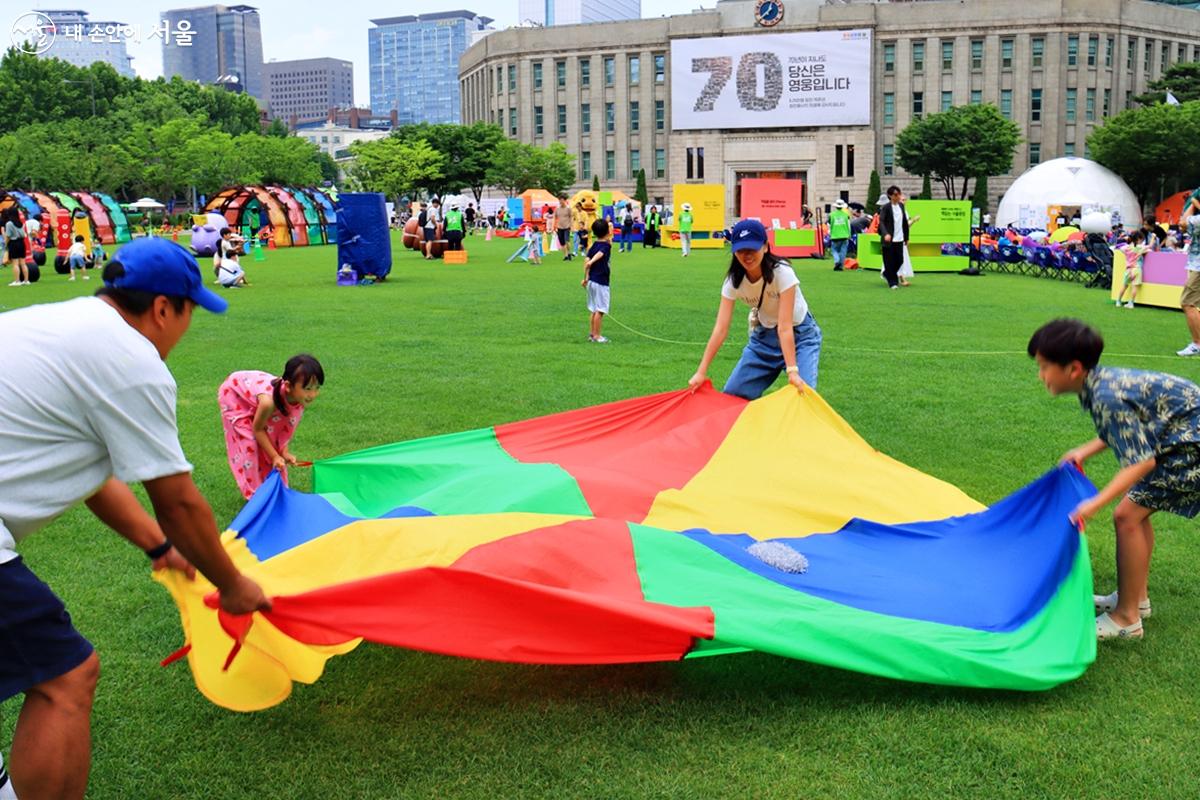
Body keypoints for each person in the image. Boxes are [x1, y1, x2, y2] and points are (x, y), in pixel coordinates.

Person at [0, 238, 270, 800]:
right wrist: (235, 585)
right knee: (65, 679)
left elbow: (95, 475)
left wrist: (158, 548)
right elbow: (178, 501)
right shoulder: (130, 358)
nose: (185, 328)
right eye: (190, 311)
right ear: (164, 308)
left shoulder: (53, 322)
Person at [1028, 318, 1200, 640]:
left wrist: (1094, 503)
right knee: (1137, 512)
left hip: (1190, 448)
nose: (1040, 375)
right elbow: (1124, 426)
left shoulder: (1105, 395)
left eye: (1044, 367)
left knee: (1126, 515)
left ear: (1074, 369)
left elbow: (1142, 461)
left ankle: (1127, 620)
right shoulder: (1098, 383)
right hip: (1181, 439)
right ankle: (1136, 599)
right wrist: (1085, 451)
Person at [688, 219, 822, 399]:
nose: (747, 255)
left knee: (804, 396)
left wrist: (792, 370)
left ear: (766, 247)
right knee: (733, 395)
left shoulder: (783, 273)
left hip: (800, 337)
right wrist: (701, 372)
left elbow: (784, 327)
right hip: (764, 339)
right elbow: (721, 328)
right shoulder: (733, 282)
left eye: (752, 249)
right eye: (741, 250)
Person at [218, 354, 324, 500]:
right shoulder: (268, 402)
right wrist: (275, 456)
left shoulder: (298, 400)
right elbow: (258, 429)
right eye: (307, 388)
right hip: (235, 395)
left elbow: (282, 430)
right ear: (288, 386)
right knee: (250, 444)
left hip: (256, 396)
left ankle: (275, 492)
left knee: (269, 442)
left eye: (316, 387)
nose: (312, 394)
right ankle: (255, 497)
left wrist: (283, 452)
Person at [582, 218, 613, 343]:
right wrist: (592, 262)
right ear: (606, 231)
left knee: (594, 309)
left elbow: (586, 260)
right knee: (600, 310)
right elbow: (600, 254)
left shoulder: (594, 245)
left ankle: (592, 334)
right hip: (600, 281)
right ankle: (597, 336)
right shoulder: (606, 245)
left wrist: (585, 277)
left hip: (591, 281)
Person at [877, 186, 910, 290]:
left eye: (899, 194)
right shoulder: (886, 207)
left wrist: (906, 237)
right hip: (889, 239)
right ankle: (893, 282)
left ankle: (888, 273)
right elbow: (881, 222)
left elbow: (904, 222)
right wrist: (886, 234)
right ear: (890, 196)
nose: (898, 196)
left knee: (900, 260)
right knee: (889, 261)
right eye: (896, 194)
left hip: (899, 239)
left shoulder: (901, 206)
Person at [1116, 231, 1150, 308]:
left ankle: (1118, 301)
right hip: (1137, 269)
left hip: (1128, 270)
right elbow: (1149, 247)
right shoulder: (1139, 248)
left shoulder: (1126, 248)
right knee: (1135, 287)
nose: (1142, 241)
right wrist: (1153, 238)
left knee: (1124, 286)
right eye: (1141, 240)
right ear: (1138, 239)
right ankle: (1131, 303)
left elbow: (1118, 246)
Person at [4, 208, 30, 286]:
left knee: (15, 263)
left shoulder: (9, 223)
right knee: (23, 263)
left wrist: (6, 244)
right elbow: (24, 234)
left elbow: (8, 235)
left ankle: (17, 281)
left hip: (14, 243)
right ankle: (26, 280)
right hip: (21, 243)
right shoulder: (20, 223)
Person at [828, 199, 851, 271]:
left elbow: (829, 225)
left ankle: (837, 261)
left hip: (835, 235)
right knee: (843, 251)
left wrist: (830, 233)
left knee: (834, 250)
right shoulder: (846, 215)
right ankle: (840, 266)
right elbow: (849, 225)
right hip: (845, 235)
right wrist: (849, 234)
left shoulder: (831, 215)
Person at [555, 196, 574, 261]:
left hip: (567, 227)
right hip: (559, 227)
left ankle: (569, 253)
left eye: (562, 200)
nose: (561, 201)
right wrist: (553, 226)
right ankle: (565, 255)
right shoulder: (557, 209)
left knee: (567, 241)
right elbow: (554, 217)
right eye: (559, 200)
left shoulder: (568, 208)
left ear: (565, 200)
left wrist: (571, 225)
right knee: (562, 242)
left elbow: (571, 217)